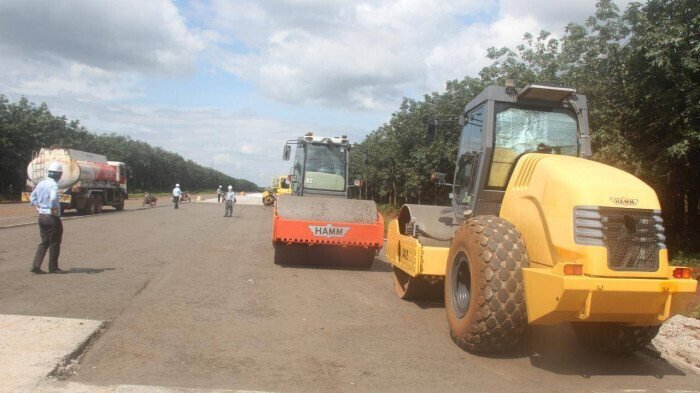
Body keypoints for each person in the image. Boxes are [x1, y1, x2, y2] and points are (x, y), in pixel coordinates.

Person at [29, 161, 65, 274]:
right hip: (51, 217)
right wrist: (52, 207)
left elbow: (33, 196)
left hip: (41, 216)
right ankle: (53, 267)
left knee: (44, 241)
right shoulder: (53, 185)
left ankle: (36, 265)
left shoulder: (41, 183)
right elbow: (54, 197)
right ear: (59, 175)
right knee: (55, 241)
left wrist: (37, 206)